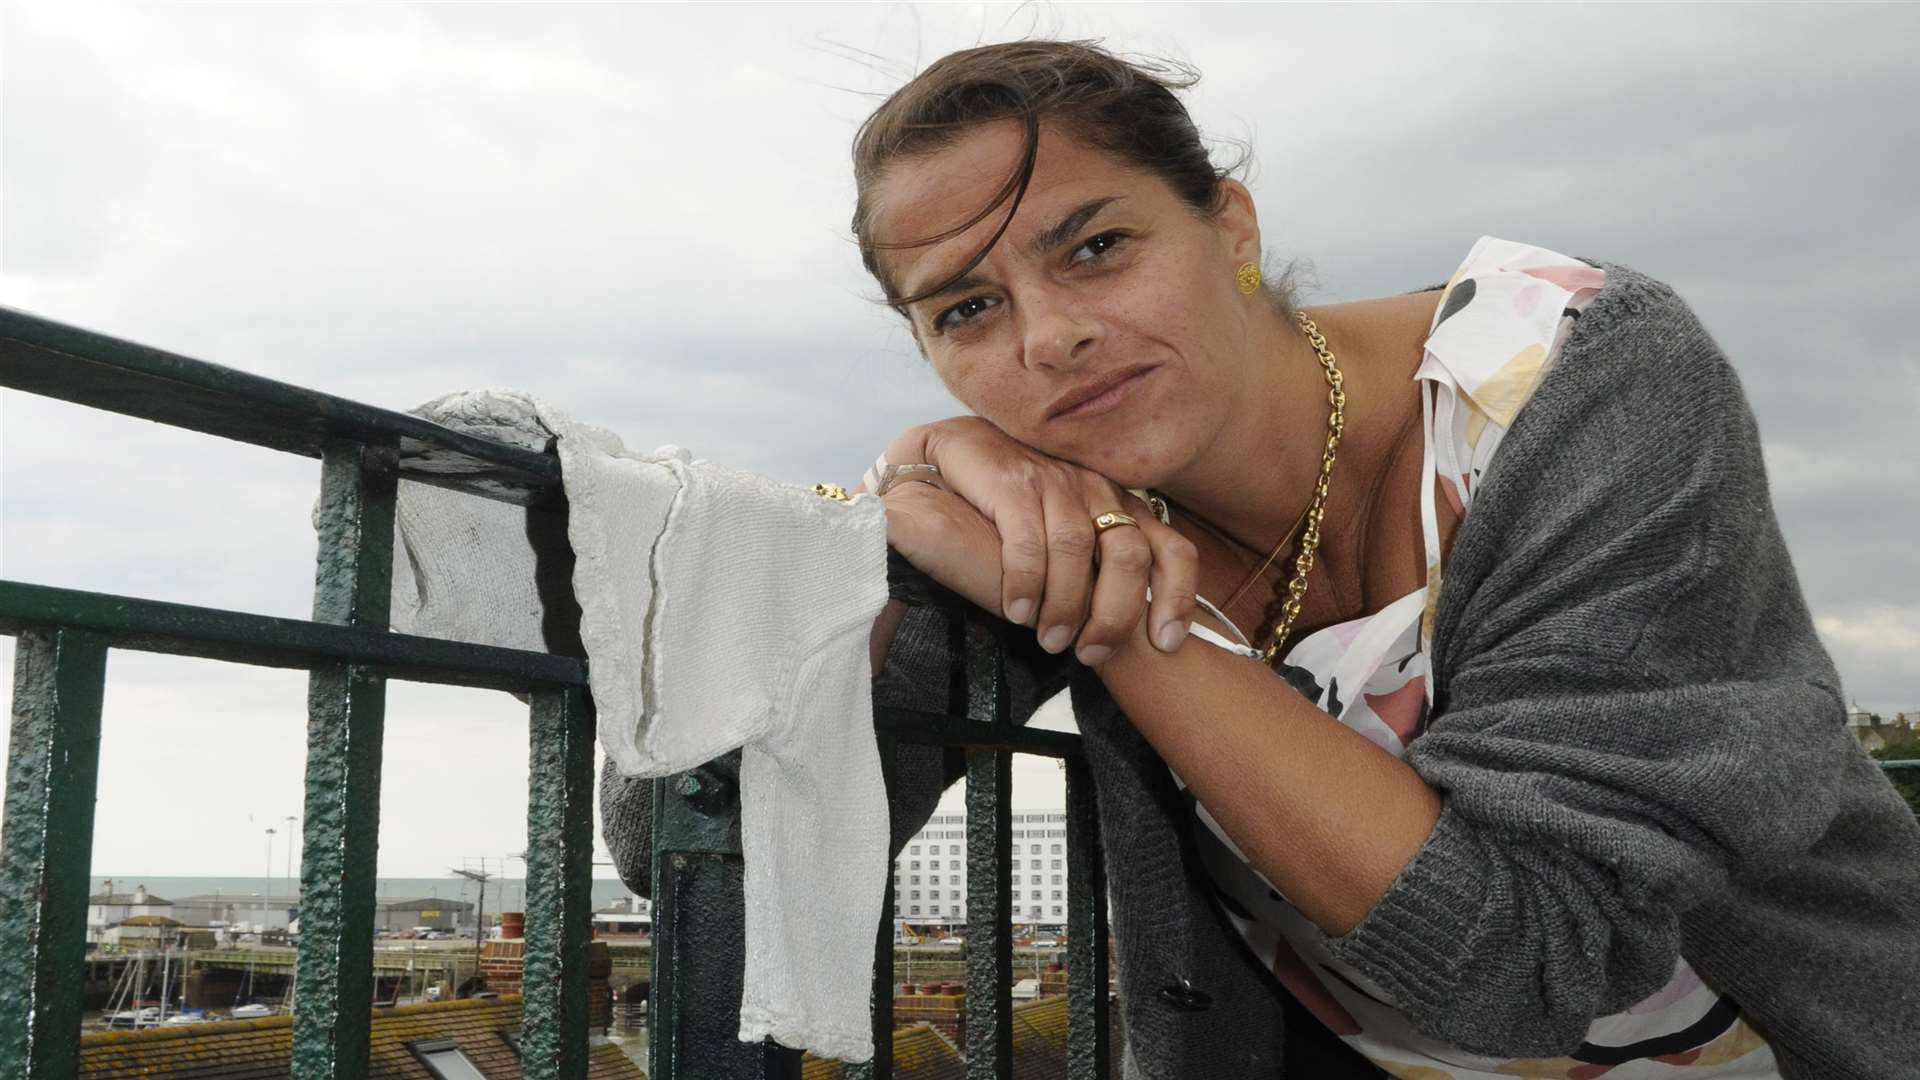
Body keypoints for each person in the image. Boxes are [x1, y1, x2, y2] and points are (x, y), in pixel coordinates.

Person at [603, 40, 1920, 1079]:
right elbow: (690, 830)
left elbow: (1537, 963)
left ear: (1228, 225)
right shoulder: (1051, 499)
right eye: (968, 309)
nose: (1050, 338)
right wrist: (911, 492)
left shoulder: (1573, 384)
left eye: (1098, 247)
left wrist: (1130, 629)